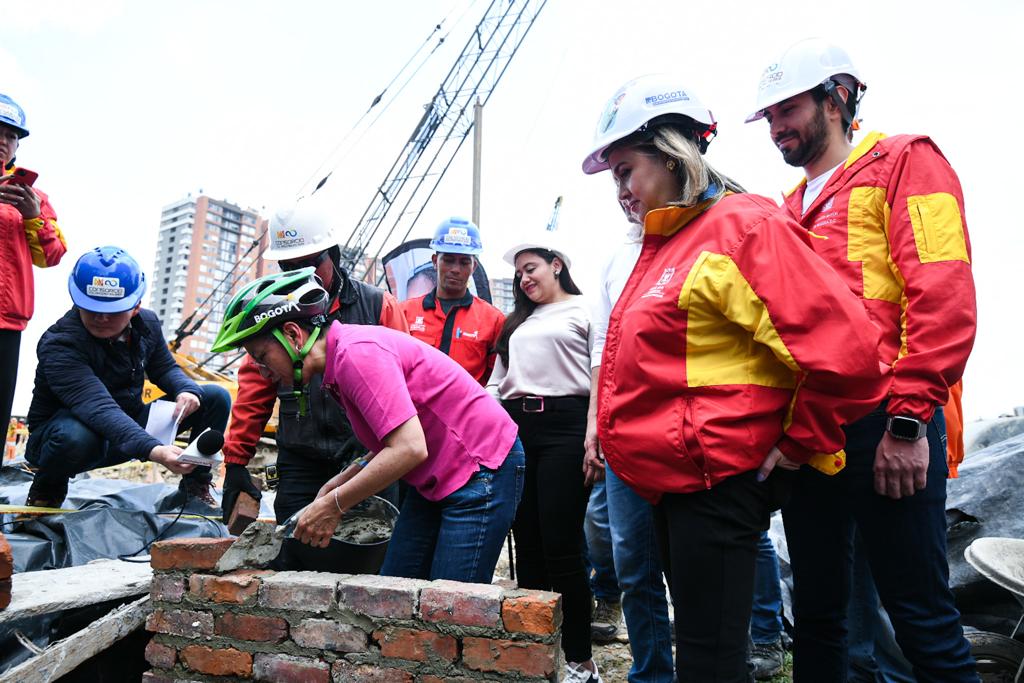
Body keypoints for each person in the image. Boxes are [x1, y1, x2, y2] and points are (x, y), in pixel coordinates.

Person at [581, 74, 888, 682]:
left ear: (672, 155)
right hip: (673, 483)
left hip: (716, 481)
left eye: (625, 172)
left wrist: (801, 440)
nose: (620, 192)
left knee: (709, 660)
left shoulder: (741, 227)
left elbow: (849, 351)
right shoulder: (667, 243)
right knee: (703, 650)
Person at [747, 38, 978, 682]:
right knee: (820, 618)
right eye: (769, 116)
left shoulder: (906, 162)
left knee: (922, 619)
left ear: (837, 99)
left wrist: (908, 423)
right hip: (813, 434)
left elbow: (943, 290)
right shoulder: (788, 210)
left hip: (886, 423)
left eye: (788, 109)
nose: (776, 127)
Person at [211, 268, 524, 583]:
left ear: (293, 335)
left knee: (451, 601)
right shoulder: (338, 362)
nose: (263, 372)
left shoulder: (356, 356)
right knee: (396, 588)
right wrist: (341, 481)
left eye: (262, 356)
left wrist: (334, 505)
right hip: (437, 476)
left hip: (481, 468)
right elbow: (394, 439)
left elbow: (409, 448)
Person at [220, 198, 408, 571]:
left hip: (366, 454)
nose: (300, 274)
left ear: (332, 255)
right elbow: (255, 388)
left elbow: (406, 384)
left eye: (309, 264)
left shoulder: (376, 306)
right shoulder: (272, 311)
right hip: (301, 458)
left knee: (374, 559)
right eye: (288, 267)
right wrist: (236, 461)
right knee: (297, 557)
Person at [24, 247, 230, 508]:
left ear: (135, 307)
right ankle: (46, 492)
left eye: (112, 311)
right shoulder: (60, 344)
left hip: (128, 428)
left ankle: (194, 490)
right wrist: (154, 449)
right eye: (92, 308)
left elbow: (164, 368)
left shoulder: (147, 324)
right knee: (73, 436)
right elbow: (98, 407)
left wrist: (185, 390)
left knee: (214, 397)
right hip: (70, 441)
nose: (101, 318)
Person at [487, 239, 600, 683]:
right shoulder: (517, 321)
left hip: (567, 428)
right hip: (517, 429)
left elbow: (601, 374)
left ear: (556, 265)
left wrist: (595, 435)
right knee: (527, 543)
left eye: (530, 268)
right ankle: (535, 654)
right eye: (518, 273)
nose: (524, 279)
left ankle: (581, 660)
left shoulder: (586, 309)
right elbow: (497, 383)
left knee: (561, 544)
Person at [582, 208, 674, 682]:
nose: (623, 192)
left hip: (684, 430)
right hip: (624, 431)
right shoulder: (617, 257)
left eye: (628, 174)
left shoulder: (703, 235)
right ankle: (651, 672)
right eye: (616, 178)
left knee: (691, 566)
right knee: (634, 566)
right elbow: (603, 343)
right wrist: (596, 422)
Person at [0, 93, 67, 436]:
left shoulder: (34, 198)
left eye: (11, 135)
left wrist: (32, 217)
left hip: (7, 323)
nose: (3, 141)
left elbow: (52, 255)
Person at [400, 216, 504, 384]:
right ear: (435, 262)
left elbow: (496, 382)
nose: (455, 269)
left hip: (467, 402)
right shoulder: (405, 313)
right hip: (413, 401)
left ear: (473, 267)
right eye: (448, 260)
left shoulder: (493, 321)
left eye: (464, 262)